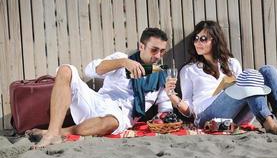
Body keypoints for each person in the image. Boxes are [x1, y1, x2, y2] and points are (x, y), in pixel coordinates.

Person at [27, 28, 173, 148]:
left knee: (111, 122)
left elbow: (165, 109)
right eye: (154, 50)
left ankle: (58, 132)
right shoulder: (122, 59)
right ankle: (52, 134)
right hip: (98, 101)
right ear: (142, 46)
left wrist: (171, 97)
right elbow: (90, 71)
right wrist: (122, 62)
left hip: (119, 115)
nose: (158, 55)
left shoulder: (160, 75)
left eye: (162, 51)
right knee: (66, 70)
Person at [165, 20, 277, 134]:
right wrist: (172, 96)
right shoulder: (189, 70)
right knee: (248, 76)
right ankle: (269, 124)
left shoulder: (232, 63)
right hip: (206, 116)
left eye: (203, 39)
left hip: (237, 115)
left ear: (215, 40)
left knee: (268, 70)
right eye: (196, 38)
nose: (198, 42)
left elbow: (247, 90)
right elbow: (189, 111)